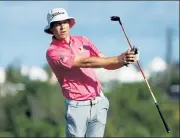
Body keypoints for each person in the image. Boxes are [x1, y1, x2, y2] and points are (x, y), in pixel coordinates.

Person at [44, 8, 139, 137]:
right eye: (57, 24)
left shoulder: (83, 40)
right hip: (77, 107)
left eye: (64, 22)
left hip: (98, 102)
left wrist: (125, 60)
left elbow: (105, 63)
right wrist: (118, 58)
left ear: (69, 23)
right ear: (51, 29)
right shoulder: (53, 52)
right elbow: (85, 62)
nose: (62, 27)